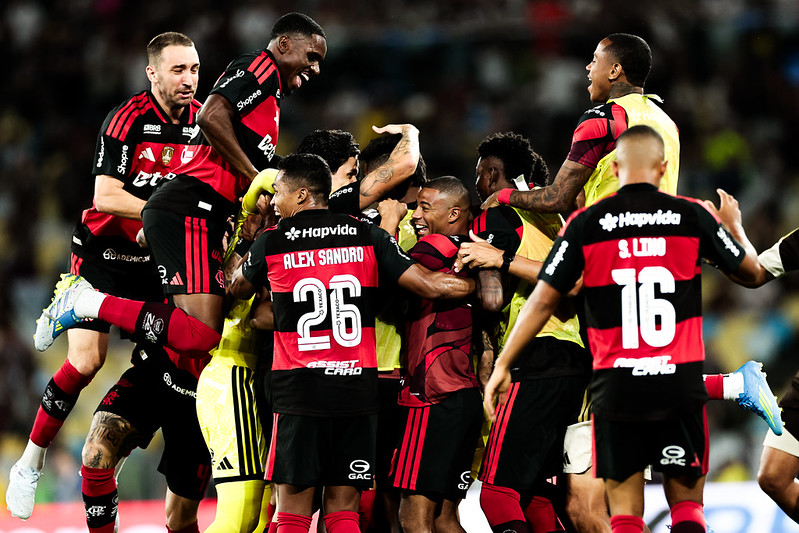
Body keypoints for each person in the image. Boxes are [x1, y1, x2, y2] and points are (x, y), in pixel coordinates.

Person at [484, 125, 767, 533]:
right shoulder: (692, 215)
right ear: (663, 168)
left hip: (617, 390)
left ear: (614, 169)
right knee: (688, 511)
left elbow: (544, 298)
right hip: (677, 384)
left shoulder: (586, 223)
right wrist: (734, 227)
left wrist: (503, 364)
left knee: (625, 518)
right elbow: (753, 274)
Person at [6, 31, 201, 521]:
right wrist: (161, 218)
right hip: (105, 255)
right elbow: (106, 197)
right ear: (152, 73)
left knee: (185, 342)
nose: (189, 79)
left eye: (195, 69)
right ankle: (30, 461)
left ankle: (142, 442)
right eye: (178, 70)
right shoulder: (127, 119)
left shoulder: (204, 124)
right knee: (87, 361)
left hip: (157, 260)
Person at [228, 153, 475, 533]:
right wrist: (474, 285)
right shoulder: (367, 234)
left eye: (278, 192)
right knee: (344, 510)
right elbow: (429, 285)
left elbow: (237, 288)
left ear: (301, 195)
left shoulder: (273, 240)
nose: (274, 201)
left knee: (292, 512)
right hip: (356, 390)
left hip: (299, 390)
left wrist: (246, 240)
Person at [140, 12, 326, 335]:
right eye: (312, 56)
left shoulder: (271, 97)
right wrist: (255, 176)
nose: (316, 68)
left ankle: (130, 330)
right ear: (284, 44)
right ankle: (93, 304)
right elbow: (209, 116)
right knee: (203, 331)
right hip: (193, 205)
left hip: (204, 212)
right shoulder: (260, 68)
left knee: (195, 337)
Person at [465, 132, 589, 533]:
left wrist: (489, 262)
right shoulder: (561, 218)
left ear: (492, 174)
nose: (477, 184)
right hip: (575, 360)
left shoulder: (495, 215)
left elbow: (492, 299)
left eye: (479, 175)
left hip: (533, 355)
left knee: (496, 494)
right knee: (535, 494)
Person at [387, 177, 483, 533]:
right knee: (444, 519)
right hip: (463, 396)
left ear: (454, 213)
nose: (416, 214)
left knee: (414, 518)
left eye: (425, 207)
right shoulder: (475, 250)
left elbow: (386, 271)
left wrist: (388, 226)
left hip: (429, 396)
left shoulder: (435, 245)